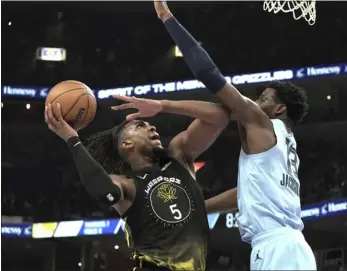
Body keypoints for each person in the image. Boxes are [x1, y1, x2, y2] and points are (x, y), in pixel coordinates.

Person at [154, 1, 316, 270]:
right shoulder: (285, 144)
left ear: (279, 108)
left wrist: (166, 17)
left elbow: (209, 74)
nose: (254, 101)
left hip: (277, 248)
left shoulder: (262, 124)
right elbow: (246, 194)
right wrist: (198, 210)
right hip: (287, 247)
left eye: (263, 98)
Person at [44, 96, 230, 271]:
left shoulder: (178, 157)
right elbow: (105, 193)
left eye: (150, 125)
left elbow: (219, 117)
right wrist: (73, 140)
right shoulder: (126, 184)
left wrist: (163, 105)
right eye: (141, 125)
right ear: (126, 144)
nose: (152, 128)